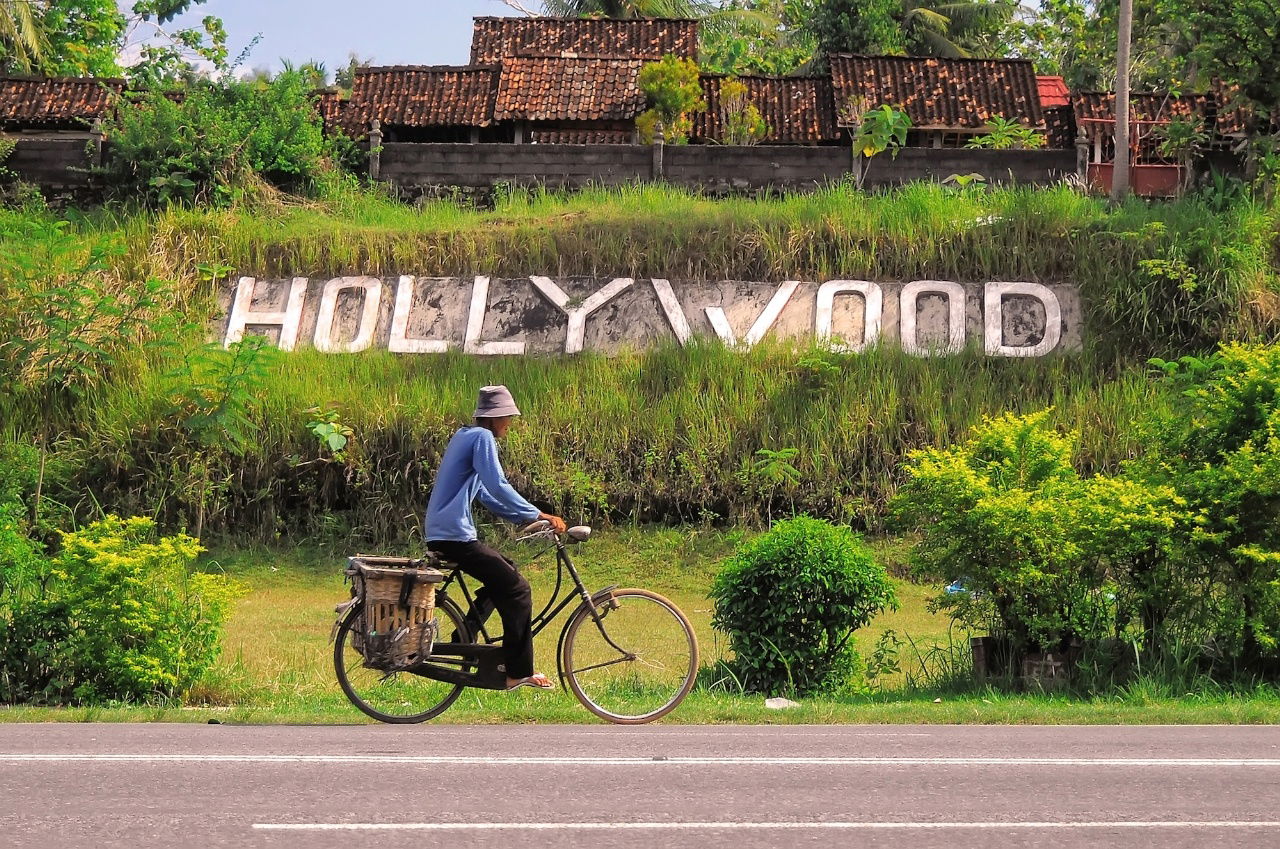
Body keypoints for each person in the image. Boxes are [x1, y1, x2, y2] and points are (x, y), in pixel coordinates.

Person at [424, 385, 567, 691]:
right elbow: (499, 484)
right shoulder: (482, 438)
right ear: (495, 417)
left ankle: (464, 639)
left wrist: (527, 517)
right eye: (507, 418)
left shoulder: (465, 436)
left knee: (506, 570)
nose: (509, 424)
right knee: (518, 590)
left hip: (444, 534)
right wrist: (537, 514)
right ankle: (518, 671)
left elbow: (488, 496)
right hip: (454, 537)